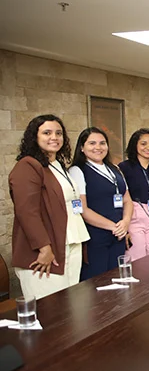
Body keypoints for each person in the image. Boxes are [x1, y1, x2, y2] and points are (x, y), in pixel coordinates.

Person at [9, 114, 89, 299]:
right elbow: (27, 212)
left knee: (70, 307)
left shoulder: (57, 165)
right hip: (46, 251)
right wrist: (44, 248)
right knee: (49, 309)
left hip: (70, 243)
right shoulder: (28, 165)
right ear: (34, 137)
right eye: (47, 133)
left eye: (58, 133)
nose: (54, 137)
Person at [69, 127, 133, 280]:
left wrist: (125, 222)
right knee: (97, 282)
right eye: (92, 143)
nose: (98, 147)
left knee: (116, 278)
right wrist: (114, 227)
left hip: (118, 235)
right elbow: (82, 209)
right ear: (82, 147)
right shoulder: (77, 170)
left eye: (102, 143)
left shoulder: (115, 169)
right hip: (95, 237)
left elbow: (127, 200)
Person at [119, 128, 149, 261]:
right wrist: (125, 228)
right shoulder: (124, 167)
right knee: (137, 257)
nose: (148, 148)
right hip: (134, 217)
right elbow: (122, 198)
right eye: (143, 144)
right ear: (135, 145)